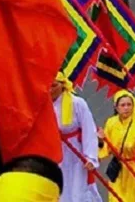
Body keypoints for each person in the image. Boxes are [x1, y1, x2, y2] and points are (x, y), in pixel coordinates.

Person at [51, 73, 102, 202]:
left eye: (54, 85)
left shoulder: (76, 103)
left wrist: (90, 157)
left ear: (62, 85)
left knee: (79, 187)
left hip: (76, 151)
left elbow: (89, 129)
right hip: (57, 151)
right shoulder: (44, 105)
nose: (50, 89)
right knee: (61, 187)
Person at [97, 90, 135, 202]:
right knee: (115, 198)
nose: (126, 108)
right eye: (123, 105)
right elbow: (107, 148)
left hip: (134, 171)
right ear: (116, 107)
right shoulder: (111, 123)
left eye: (129, 104)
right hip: (118, 169)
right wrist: (101, 140)